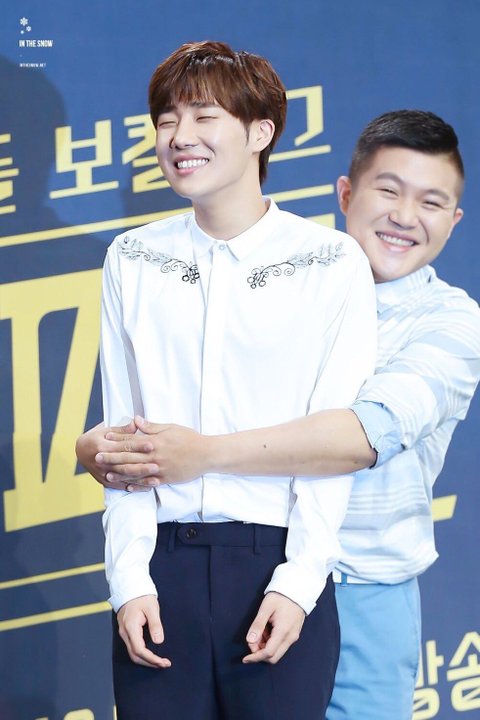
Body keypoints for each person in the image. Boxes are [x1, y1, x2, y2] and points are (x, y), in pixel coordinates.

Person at [77, 108, 480, 719]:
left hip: (363, 586)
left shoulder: (451, 323)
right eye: (388, 191)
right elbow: (177, 404)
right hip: (247, 572)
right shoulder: (283, 276)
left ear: (454, 220)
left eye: (431, 202)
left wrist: (197, 454)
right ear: (346, 193)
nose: (404, 216)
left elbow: (362, 437)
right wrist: (104, 447)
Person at [92, 40, 377, 720]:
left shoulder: (329, 261)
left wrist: (299, 582)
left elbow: (330, 443)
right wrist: (129, 580)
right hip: (161, 571)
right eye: (166, 120)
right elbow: (126, 439)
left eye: (203, 117)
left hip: (275, 566)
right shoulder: (133, 257)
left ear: (260, 132)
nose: (179, 137)